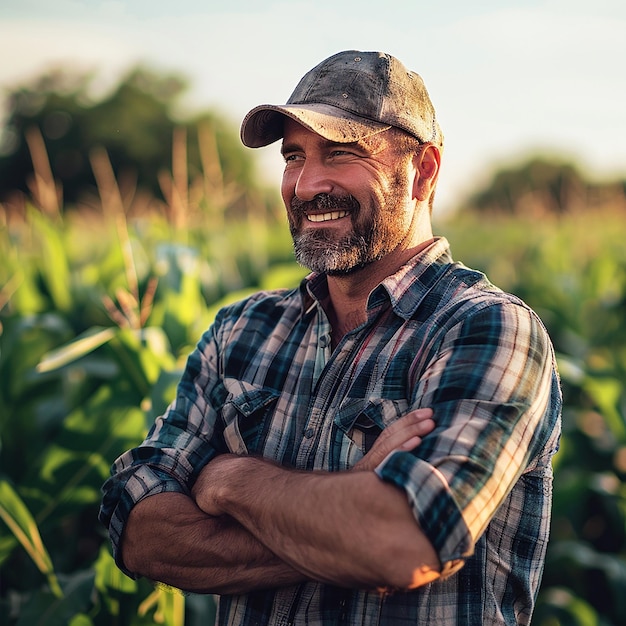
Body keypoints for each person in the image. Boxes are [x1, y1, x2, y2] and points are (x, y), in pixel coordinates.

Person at [99, 50, 562, 625]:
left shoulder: (485, 330)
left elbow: (403, 543)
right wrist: (351, 502)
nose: (306, 184)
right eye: (293, 157)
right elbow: (135, 524)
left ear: (424, 170)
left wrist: (228, 479)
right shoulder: (241, 331)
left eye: (340, 153)